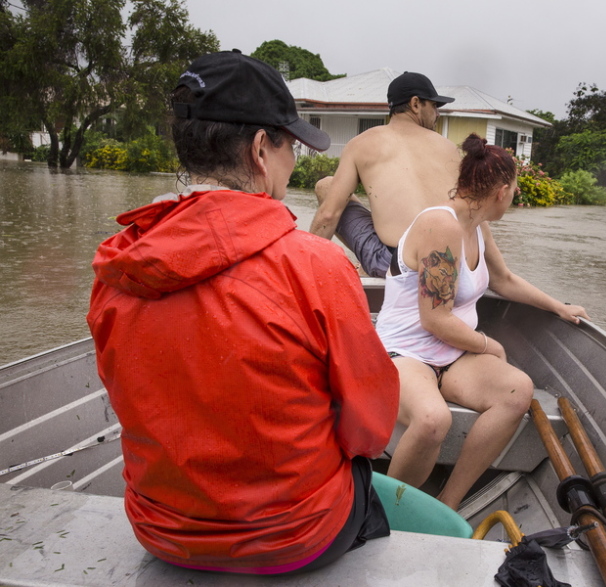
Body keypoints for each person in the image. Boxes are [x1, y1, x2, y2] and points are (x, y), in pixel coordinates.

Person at [86, 50, 399, 575]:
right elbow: (370, 429)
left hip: (162, 532)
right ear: (260, 149)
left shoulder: (117, 268)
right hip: (295, 537)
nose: (294, 161)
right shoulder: (315, 266)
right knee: (364, 472)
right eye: (290, 145)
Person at [375, 133, 590, 510]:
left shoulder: (477, 225)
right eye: (515, 192)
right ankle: (388, 511)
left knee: (516, 391)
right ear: (501, 191)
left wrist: (558, 306)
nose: (514, 199)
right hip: (405, 352)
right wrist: (491, 345)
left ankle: (449, 502)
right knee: (431, 420)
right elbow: (435, 320)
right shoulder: (439, 226)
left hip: (452, 356)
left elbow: (504, 279)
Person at [309, 71, 460, 277]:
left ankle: (365, 264)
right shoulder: (449, 148)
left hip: (391, 265)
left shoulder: (362, 143)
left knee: (326, 186)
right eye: (434, 106)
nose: (438, 114)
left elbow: (328, 214)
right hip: (446, 266)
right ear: (416, 104)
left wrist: (303, 271)